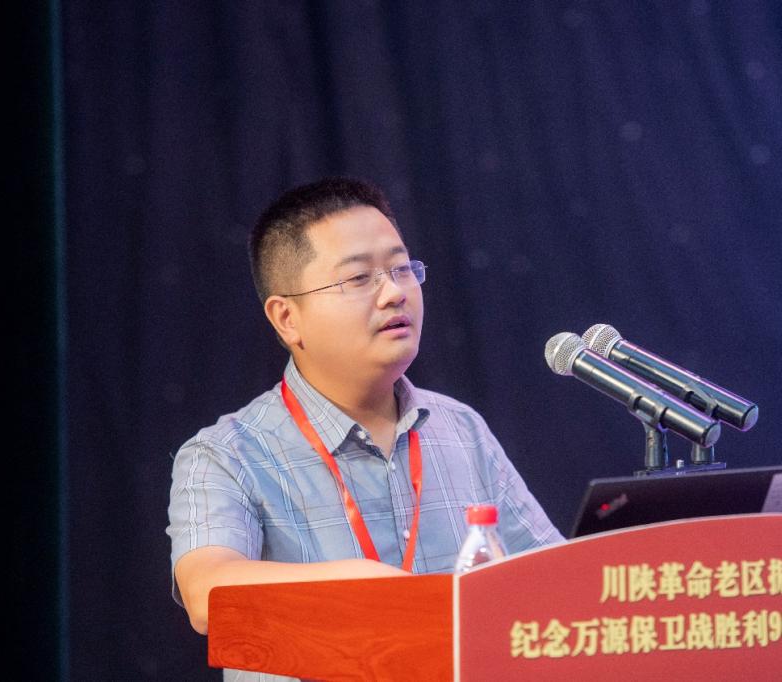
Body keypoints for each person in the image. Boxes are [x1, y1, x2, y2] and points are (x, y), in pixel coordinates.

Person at [166, 178, 561, 671]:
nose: (394, 293)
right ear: (287, 318)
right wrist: (364, 584)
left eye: (402, 269)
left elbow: (554, 581)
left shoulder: (462, 430)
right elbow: (207, 594)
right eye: (358, 278)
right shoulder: (227, 453)